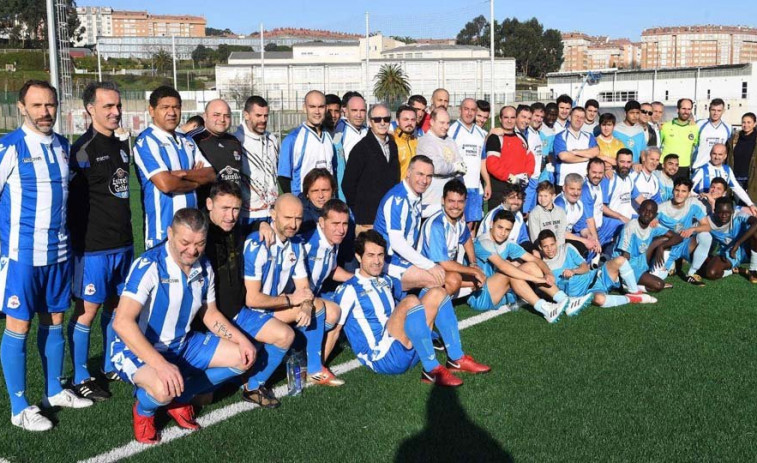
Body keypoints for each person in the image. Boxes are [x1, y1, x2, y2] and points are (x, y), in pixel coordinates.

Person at [111, 208, 255, 443]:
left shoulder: (203, 265)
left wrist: (241, 340)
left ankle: (182, 396)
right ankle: (144, 411)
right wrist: (161, 365)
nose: (192, 250)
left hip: (183, 343)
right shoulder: (150, 265)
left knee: (243, 357)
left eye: (200, 243)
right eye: (185, 242)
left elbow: (210, 314)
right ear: (170, 234)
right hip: (138, 349)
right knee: (163, 388)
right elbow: (122, 322)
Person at [1, 80, 93, 432]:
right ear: (21, 107)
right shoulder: (9, 146)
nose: (45, 112)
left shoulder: (62, 146)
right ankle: (19, 406)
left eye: (50, 105)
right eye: (37, 105)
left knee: (54, 319)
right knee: (19, 324)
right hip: (21, 255)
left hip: (59, 252)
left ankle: (54, 390)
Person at [332, 230, 490, 387]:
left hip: (408, 348)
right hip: (384, 357)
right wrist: (317, 367)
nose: (377, 261)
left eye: (380, 255)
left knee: (437, 292)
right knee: (410, 300)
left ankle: (456, 358)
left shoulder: (386, 280)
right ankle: (431, 370)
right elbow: (334, 331)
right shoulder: (348, 289)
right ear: (359, 257)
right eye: (371, 255)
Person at [66, 81, 133, 402]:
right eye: (108, 106)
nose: (115, 112)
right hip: (93, 248)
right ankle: (80, 375)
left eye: (118, 105)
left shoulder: (121, 146)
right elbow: (69, 205)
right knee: (87, 311)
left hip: (123, 244)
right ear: (89, 109)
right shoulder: (81, 150)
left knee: (117, 307)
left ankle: (110, 364)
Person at [200, 181, 289, 408]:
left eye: (236, 209)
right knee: (204, 399)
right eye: (224, 208)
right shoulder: (199, 235)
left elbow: (250, 225)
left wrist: (261, 224)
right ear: (209, 204)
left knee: (285, 336)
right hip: (209, 322)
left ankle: (252, 385)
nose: (231, 216)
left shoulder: (237, 227)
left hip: (239, 313)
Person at [243, 193, 344, 389]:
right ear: (273, 215)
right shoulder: (258, 244)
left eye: (298, 218)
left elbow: (304, 289)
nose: (293, 224)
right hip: (251, 313)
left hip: (276, 307)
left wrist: (305, 305)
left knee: (325, 310)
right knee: (315, 310)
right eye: (288, 218)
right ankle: (253, 382)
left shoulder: (296, 245)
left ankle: (312, 367)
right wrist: (291, 300)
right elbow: (252, 300)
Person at [133, 86, 215, 250]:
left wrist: (182, 174)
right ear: (152, 110)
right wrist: (196, 180)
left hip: (192, 232)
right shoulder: (146, 141)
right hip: (162, 232)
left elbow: (211, 174)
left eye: (176, 107)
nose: (171, 112)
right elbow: (166, 184)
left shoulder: (188, 141)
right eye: (165, 107)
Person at [469, 210, 591, 320]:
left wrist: (548, 273)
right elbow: (503, 267)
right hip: (481, 295)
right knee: (511, 272)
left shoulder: (508, 243)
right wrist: (537, 279)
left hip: (500, 293)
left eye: (507, 230)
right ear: (491, 224)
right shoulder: (483, 242)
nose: (503, 233)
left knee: (531, 265)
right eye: (500, 227)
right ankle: (545, 308)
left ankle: (565, 300)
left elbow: (536, 260)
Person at [374, 155, 447, 290]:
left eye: (429, 176)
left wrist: (447, 207)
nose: (424, 180)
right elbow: (397, 243)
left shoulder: (413, 193)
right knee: (435, 279)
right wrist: (430, 265)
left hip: (404, 256)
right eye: (420, 174)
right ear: (408, 173)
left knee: (444, 276)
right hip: (389, 260)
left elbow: (416, 212)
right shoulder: (398, 199)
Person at [537, 230, 656, 312]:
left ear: (556, 243)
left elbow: (584, 267)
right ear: (540, 248)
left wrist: (573, 271)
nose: (550, 249)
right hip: (586, 294)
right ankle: (633, 299)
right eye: (545, 246)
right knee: (600, 300)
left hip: (595, 276)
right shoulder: (543, 266)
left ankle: (634, 292)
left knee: (620, 260)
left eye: (552, 244)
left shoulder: (567, 248)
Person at [302, 199, 354, 368]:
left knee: (342, 299)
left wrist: (356, 279)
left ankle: (308, 353)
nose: (341, 229)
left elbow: (331, 269)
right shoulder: (309, 244)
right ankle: (309, 361)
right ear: (322, 222)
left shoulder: (331, 241)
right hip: (295, 302)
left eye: (345, 224)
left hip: (312, 297)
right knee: (331, 312)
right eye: (336, 223)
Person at [418, 180, 486, 296]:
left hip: (442, 270)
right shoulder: (437, 225)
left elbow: (467, 238)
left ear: (465, 202)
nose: (455, 206)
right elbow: (445, 263)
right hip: (424, 271)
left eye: (460, 202)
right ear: (442, 200)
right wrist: (473, 271)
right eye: (451, 201)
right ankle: (428, 304)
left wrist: (473, 262)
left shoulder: (459, 220)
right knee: (455, 280)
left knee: (480, 279)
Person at [342, 103, 400, 234]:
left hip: (389, 215)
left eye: (386, 119)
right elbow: (348, 184)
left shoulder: (392, 145)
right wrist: (360, 212)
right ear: (370, 122)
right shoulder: (360, 149)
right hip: (367, 219)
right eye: (377, 119)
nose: (382, 123)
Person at [612, 200, 682, 292]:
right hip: (629, 266)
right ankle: (628, 284)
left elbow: (678, 237)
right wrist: (626, 277)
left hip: (641, 262)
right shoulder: (630, 227)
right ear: (639, 210)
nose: (647, 214)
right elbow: (624, 258)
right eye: (645, 210)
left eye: (651, 212)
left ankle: (651, 274)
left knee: (665, 240)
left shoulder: (651, 227)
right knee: (659, 285)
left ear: (655, 215)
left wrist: (661, 247)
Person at [656, 177, 712, 286]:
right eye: (677, 190)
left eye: (683, 191)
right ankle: (671, 264)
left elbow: (707, 226)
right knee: (658, 278)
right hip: (668, 246)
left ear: (688, 193)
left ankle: (691, 273)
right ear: (673, 190)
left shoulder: (693, 206)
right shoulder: (661, 208)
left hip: (686, 244)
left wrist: (693, 229)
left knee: (706, 236)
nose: (679, 194)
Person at [278, 90, 336, 196]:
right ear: (305, 108)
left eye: (321, 107)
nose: (317, 111)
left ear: (326, 108)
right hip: (303, 203)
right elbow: (283, 177)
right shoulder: (292, 139)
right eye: (312, 107)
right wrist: (295, 201)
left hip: (326, 203)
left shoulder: (328, 137)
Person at [234, 95, 279, 231]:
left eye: (266, 116)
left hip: (272, 212)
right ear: (246, 115)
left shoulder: (272, 139)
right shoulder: (236, 141)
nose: (263, 120)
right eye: (258, 115)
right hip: (248, 214)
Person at [193, 98, 243, 206]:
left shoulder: (234, 141)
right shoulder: (193, 140)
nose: (222, 119)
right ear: (205, 116)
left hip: (231, 209)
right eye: (216, 115)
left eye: (227, 116)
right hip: (205, 209)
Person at [449, 98, 490, 230]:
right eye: (466, 109)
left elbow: (482, 160)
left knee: (471, 226)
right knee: (455, 224)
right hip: (458, 186)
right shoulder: (452, 130)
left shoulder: (480, 133)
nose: (469, 113)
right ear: (460, 110)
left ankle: (468, 251)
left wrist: (487, 183)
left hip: (475, 187)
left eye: (472, 110)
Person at [417, 108, 465, 218]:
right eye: (442, 123)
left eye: (448, 123)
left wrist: (457, 168)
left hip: (449, 204)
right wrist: (455, 167)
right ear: (432, 122)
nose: (446, 126)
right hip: (430, 203)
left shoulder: (450, 140)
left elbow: (461, 164)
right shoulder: (425, 141)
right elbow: (436, 167)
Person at [484, 105, 534, 210]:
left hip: (517, 191)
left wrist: (527, 175)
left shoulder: (521, 137)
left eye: (512, 117)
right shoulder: (495, 138)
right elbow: (492, 165)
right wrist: (512, 179)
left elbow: (530, 159)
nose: (509, 121)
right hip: (500, 192)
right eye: (506, 117)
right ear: (500, 119)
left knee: (516, 223)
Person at [692, 143, 757, 214]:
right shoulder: (702, 170)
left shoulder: (727, 170)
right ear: (710, 154)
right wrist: (702, 196)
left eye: (720, 154)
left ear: (725, 156)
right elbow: (688, 190)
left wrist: (750, 204)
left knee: (753, 212)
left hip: (722, 207)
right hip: (704, 207)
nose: (716, 157)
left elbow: (737, 188)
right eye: (714, 154)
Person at [703, 197, 757, 282]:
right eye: (720, 212)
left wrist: (738, 243)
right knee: (711, 273)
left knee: (755, 231)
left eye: (727, 212)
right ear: (714, 210)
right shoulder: (708, 221)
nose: (724, 215)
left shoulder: (739, 215)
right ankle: (734, 270)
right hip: (729, 253)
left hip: (748, 248)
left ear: (732, 210)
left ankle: (753, 270)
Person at [553, 106, 599, 187]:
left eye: (582, 117)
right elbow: (564, 156)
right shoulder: (560, 136)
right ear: (570, 117)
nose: (579, 119)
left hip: (585, 182)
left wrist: (576, 152)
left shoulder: (589, 136)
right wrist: (586, 157)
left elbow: (595, 152)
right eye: (576, 116)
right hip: (564, 183)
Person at [555, 173, 598, 258]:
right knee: (580, 246)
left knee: (592, 246)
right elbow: (560, 232)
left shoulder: (579, 204)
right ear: (564, 188)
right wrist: (584, 241)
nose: (575, 193)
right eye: (572, 189)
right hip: (555, 238)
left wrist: (589, 237)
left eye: (579, 189)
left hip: (567, 236)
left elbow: (582, 227)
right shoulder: (559, 203)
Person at [333, 94, 368, 199]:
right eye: (354, 110)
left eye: (362, 110)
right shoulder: (339, 131)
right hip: (347, 192)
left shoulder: (368, 131)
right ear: (346, 111)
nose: (359, 115)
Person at [600, 149, 637, 248]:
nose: (625, 165)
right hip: (611, 223)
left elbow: (640, 198)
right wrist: (620, 217)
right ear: (616, 161)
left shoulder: (629, 179)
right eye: (622, 162)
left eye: (628, 162)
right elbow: (601, 206)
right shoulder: (608, 178)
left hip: (626, 222)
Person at [479, 182, 530, 246]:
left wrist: (532, 250)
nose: (516, 202)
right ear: (505, 198)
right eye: (512, 198)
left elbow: (523, 239)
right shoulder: (495, 214)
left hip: (513, 251)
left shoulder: (518, 215)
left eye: (519, 198)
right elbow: (486, 241)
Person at [661, 98, 699, 178]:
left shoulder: (694, 128)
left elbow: (697, 147)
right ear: (678, 109)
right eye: (683, 108)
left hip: (683, 168)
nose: (686, 112)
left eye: (689, 109)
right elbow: (657, 146)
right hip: (666, 167)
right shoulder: (665, 126)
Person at [693, 98, 731, 172]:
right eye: (713, 110)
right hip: (699, 167)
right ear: (709, 109)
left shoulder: (728, 128)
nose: (715, 113)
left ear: (723, 111)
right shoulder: (698, 124)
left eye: (719, 110)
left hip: (718, 169)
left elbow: (728, 150)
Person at [528, 181, 568, 246]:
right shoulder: (534, 213)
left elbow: (561, 234)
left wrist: (557, 248)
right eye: (540, 196)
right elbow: (535, 238)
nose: (543, 199)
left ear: (553, 196)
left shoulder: (561, 212)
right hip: (543, 248)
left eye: (545, 196)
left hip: (559, 247)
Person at [727, 112, 757, 201]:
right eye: (743, 122)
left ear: (754, 124)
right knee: (738, 206)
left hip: (752, 178)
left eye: (749, 122)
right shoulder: (734, 138)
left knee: (752, 206)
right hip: (736, 178)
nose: (746, 125)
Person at [630, 147, 662, 212]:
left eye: (657, 160)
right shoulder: (634, 174)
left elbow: (657, 202)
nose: (654, 163)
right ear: (644, 158)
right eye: (652, 159)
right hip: (630, 217)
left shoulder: (655, 180)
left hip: (646, 217)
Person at [392, 104, 419, 179]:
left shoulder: (417, 141)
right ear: (397, 121)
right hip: (398, 188)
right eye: (406, 119)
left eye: (413, 120)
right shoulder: (392, 141)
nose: (410, 123)